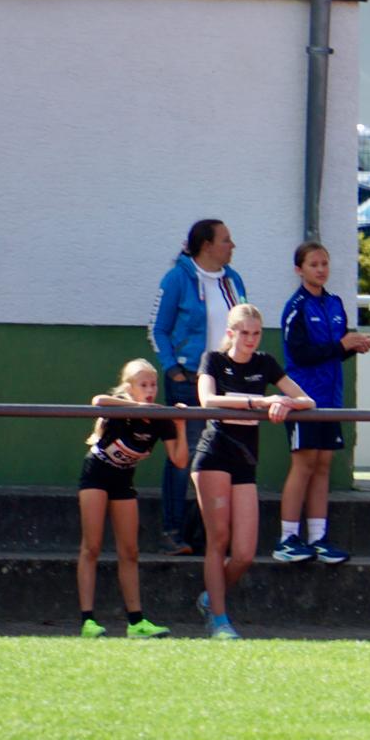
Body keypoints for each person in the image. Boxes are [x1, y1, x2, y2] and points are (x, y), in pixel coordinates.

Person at [192, 304, 315, 639]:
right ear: (231, 333)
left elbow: (307, 401)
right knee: (219, 539)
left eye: (256, 333)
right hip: (214, 455)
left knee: (245, 553)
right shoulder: (213, 360)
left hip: (245, 461)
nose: (250, 339)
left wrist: (284, 402)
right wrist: (257, 403)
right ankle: (219, 621)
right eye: (244, 333)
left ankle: (211, 599)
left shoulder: (265, 363)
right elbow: (208, 400)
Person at [273, 241, 370, 565]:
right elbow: (300, 354)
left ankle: (318, 537)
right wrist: (340, 346)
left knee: (323, 464)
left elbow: (332, 352)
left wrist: (353, 347)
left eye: (324, 263)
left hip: (331, 399)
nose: (320, 269)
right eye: (313, 264)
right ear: (299, 269)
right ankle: (288, 537)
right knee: (303, 464)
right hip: (303, 398)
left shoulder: (334, 303)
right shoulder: (296, 307)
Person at [150, 219, 246, 555]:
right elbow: (157, 328)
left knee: (219, 457)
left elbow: (243, 325)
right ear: (206, 245)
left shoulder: (233, 280)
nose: (232, 246)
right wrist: (173, 370)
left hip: (224, 383)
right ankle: (172, 531)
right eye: (226, 240)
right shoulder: (177, 278)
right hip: (187, 380)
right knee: (183, 455)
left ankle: (207, 534)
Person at [76, 359, 188, 638]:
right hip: (96, 475)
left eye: (153, 385)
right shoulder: (121, 408)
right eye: (143, 385)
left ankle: (136, 622)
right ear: (129, 388)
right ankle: (88, 620)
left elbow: (180, 460)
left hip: (123, 481)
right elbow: (98, 401)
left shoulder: (160, 420)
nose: (150, 391)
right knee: (91, 546)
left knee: (130, 551)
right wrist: (137, 407)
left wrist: (181, 426)